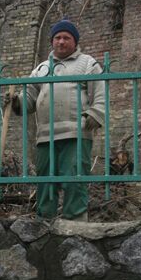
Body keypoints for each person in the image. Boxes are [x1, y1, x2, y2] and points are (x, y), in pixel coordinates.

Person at [10, 19, 105, 221]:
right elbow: (29, 98)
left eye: (66, 38)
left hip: (76, 131)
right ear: (52, 41)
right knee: (45, 179)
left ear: (75, 41)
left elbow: (100, 91)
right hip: (45, 135)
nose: (61, 42)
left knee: (74, 176)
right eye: (57, 38)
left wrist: (96, 114)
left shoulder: (87, 63)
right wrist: (15, 102)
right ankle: (45, 219)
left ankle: (75, 218)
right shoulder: (41, 69)